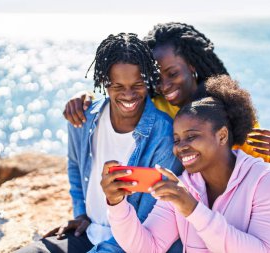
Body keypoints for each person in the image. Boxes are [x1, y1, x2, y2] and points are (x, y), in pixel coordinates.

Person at [63, 22, 270, 250]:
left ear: (191, 67)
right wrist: (88, 99)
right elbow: (126, 94)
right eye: (157, 78)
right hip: (193, 197)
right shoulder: (156, 104)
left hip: (232, 200)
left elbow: (256, 165)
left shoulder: (224, 108)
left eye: (172, 73)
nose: (165, 85)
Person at [16, 33, 182, 253]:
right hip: (88, 233)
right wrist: (81, 214)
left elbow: (149, 222)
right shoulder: (83, 118)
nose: (129, 95)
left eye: (137, 84)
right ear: (104, 82)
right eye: (117, 86)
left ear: (148, 80)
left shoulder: (165, 136)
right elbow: (75, 166)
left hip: (128, 243)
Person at [101, 75, 270, 252]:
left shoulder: (267, 181)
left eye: (192, 137)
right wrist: (117, 205)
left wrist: (194, 211)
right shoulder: (183, 187)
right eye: (177, 139)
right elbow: (148, 247)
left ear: (222, 135)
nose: (181, 147)